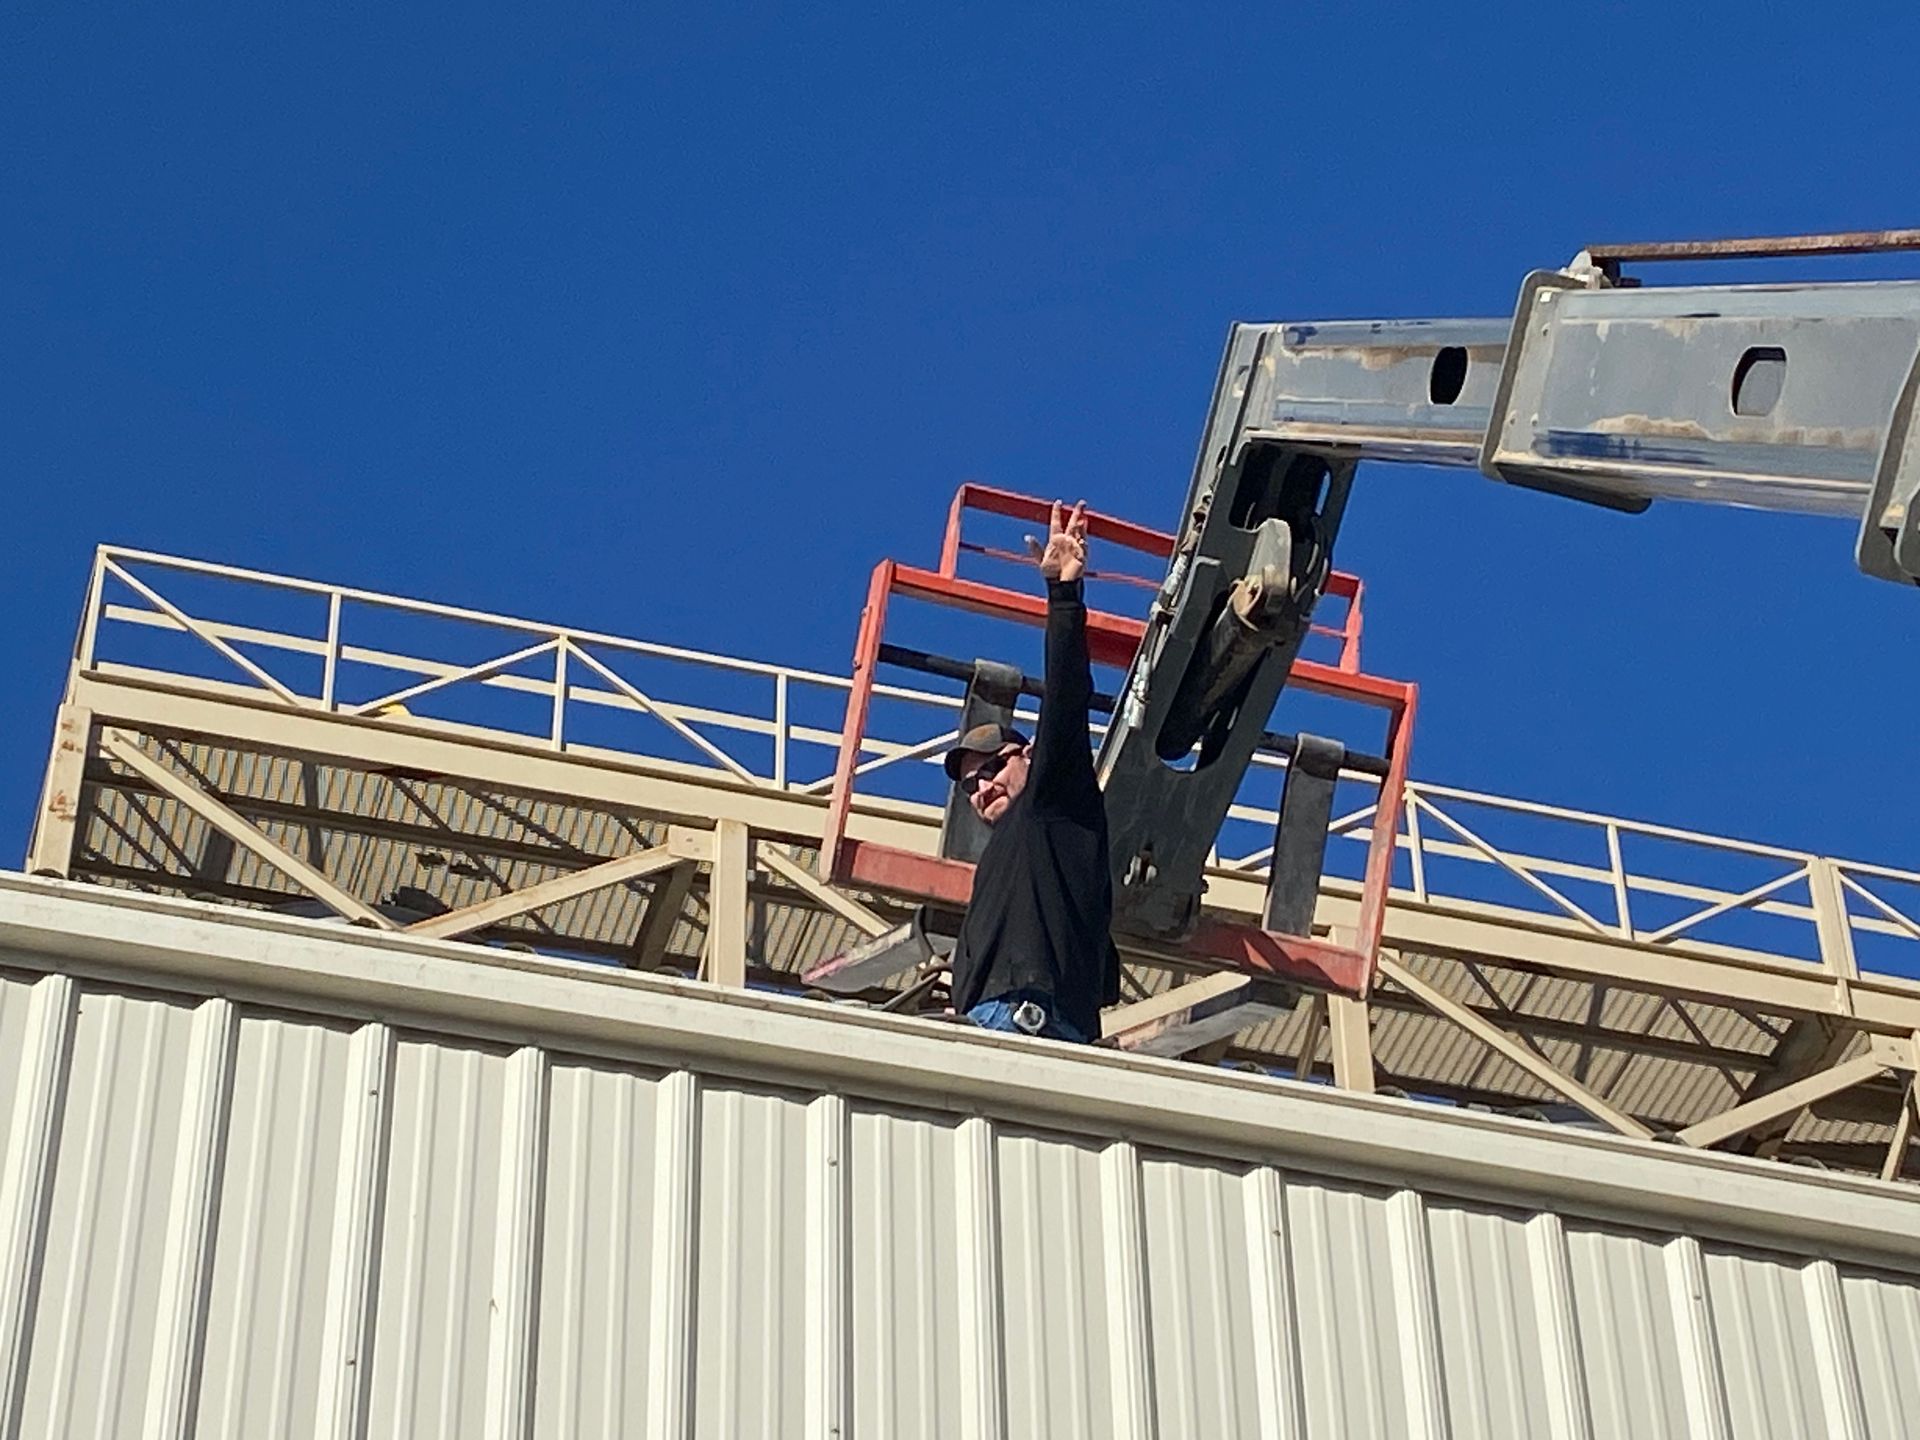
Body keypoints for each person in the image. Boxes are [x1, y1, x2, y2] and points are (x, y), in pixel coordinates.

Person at [943, 500, 1120, 1043]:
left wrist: (1064, 595)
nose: (982, 786)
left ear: (1028, 755)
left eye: (993, 766)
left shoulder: (1053, 801)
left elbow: (1066, 699)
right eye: (971, 784)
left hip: (1033, 1019)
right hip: (987, 1021)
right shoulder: (1003, 862)